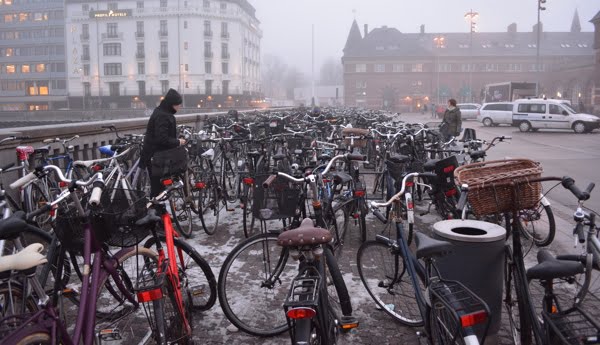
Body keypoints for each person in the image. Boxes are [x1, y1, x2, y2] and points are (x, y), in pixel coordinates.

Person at [141, 88, 186, 197]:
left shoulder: (162, 112)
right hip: (155, 156)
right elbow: (162, 139)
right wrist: (178, 142)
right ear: (172, 104)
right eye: (178, 104)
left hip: (158, 155)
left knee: (160, 186)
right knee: (157, 188)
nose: (179, 107)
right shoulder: (163, 115)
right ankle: (156, 211)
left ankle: (159, 210)